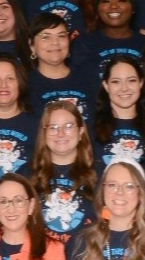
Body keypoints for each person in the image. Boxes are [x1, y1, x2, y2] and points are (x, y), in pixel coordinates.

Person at [30, 100, 98, 243]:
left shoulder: (100, 174)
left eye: (68, 126)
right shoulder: (28, 175)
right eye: (53, 127)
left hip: (84, 259)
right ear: (44, 133)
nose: (60, 134)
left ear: (80, 132)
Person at [91, 55, 145, 167]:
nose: (124, 88)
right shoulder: (91, 126)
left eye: (131, 81)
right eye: (116, 82)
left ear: (141, 83)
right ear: (106, 85)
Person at [75, 0, 145, 71]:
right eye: (106, 1)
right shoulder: (84, 44)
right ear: (97, 9)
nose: (114, 6)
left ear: (133, 7)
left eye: (121, 0)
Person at [25, 13, 92, 117]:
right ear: (32, 45)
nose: (55, 42)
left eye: (61, 36)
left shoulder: (87, 80)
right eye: (46, 37)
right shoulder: (25, 85)